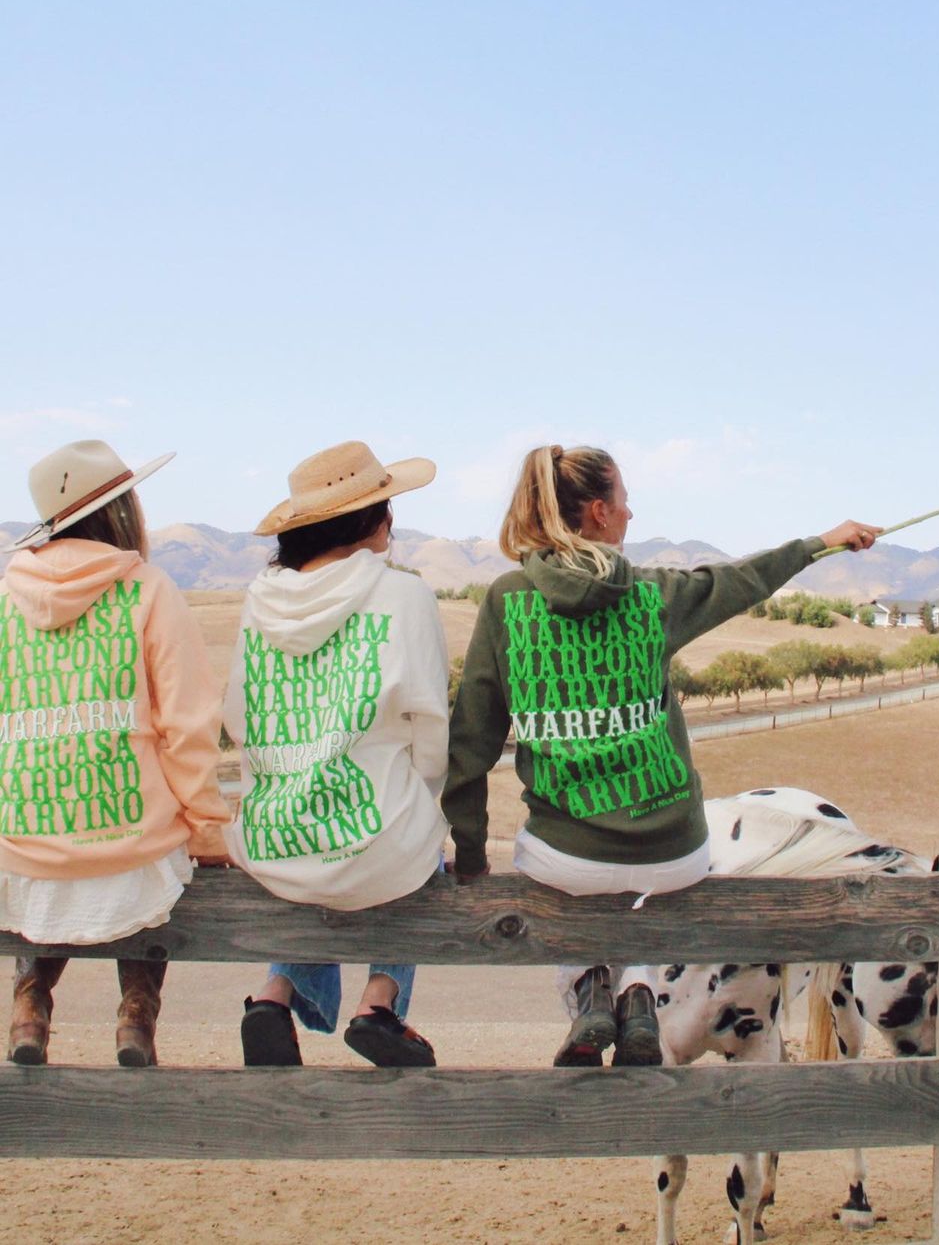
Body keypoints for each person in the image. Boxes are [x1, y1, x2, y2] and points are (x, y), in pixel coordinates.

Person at [442, 444, 881, 1067]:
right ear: (599, 512)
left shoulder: (507, 600)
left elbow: (472, 741)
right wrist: (823, 543)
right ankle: (640, 986)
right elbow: (742, 579)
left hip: (566, 857)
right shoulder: (654, 595)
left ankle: (590, 984)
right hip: (676, 854)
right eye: (624, 501)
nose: (631, 513)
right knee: (646, 881)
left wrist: (470, 854)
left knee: (554, 865)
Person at [1, 439, 232, 1066]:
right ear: (120, 512)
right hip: (128, 843)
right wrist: (207, 830)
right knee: (156, 864)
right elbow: (186, 727)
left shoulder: (6, 601)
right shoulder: (148, 590)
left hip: (23, 848)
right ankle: (135, 1014)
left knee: (55, 877)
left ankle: (29, 1005)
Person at [223, 441, 449, 1067]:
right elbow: (432, 731)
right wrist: (425, 806)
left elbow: (239, 717)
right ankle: (379, 1003)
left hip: (273, 838)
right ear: (373, 518)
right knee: (413, 848)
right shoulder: (405, 596)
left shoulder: (258, 601)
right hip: (373, 841)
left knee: (324, 860)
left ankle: (273, 997)